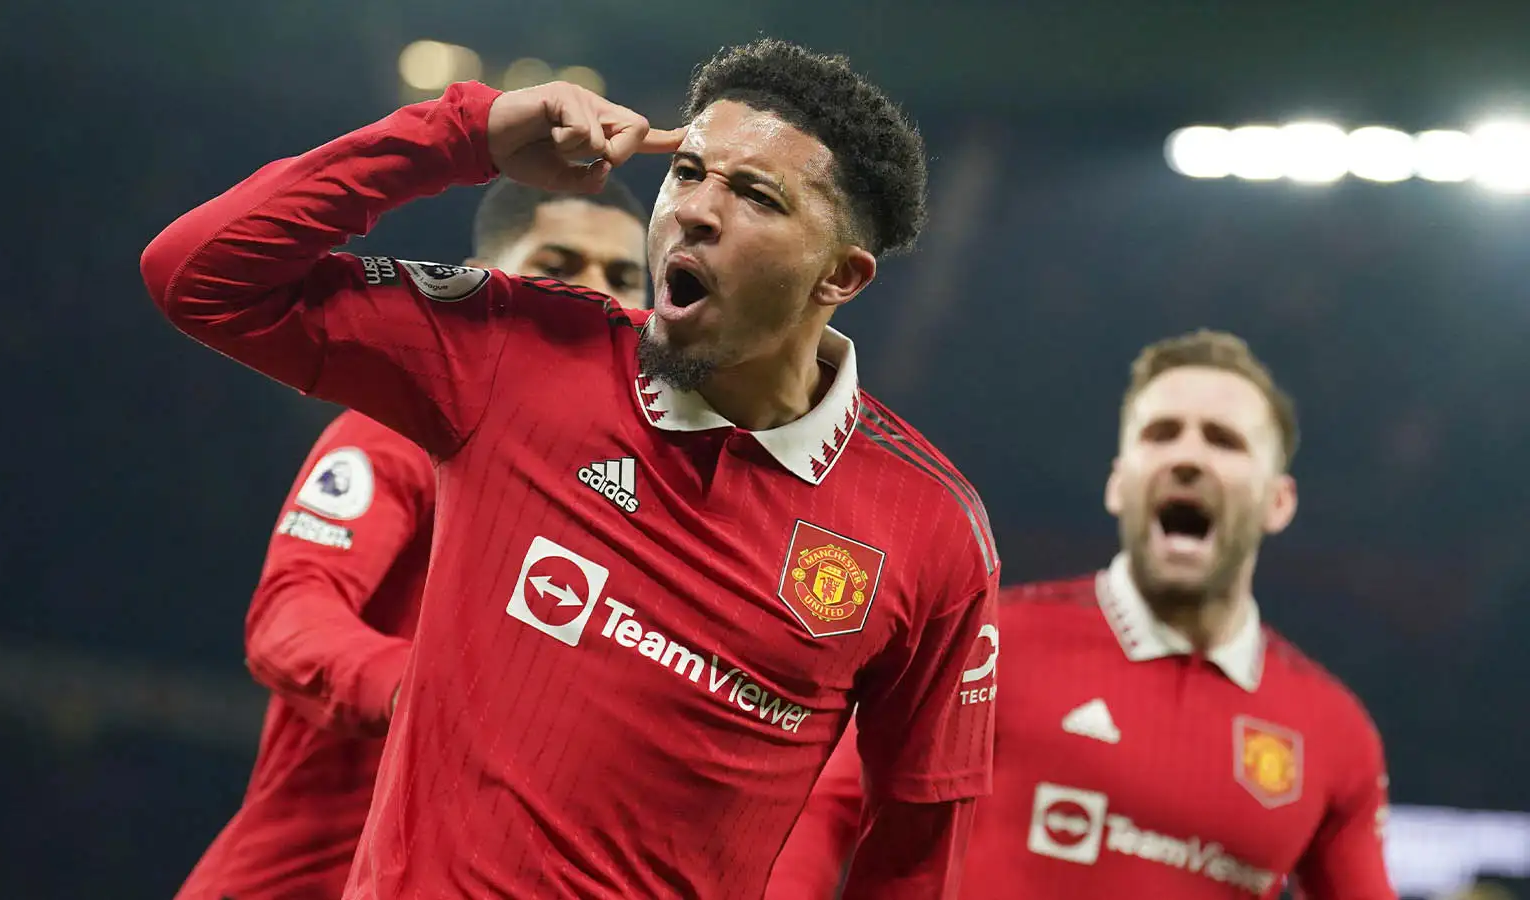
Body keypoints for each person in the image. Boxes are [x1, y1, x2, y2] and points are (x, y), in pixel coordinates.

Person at [142, 38, 1000, 900]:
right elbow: (198, 275)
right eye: (690, 171)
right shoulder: (517, 351)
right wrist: (462, 133)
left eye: (753, 194)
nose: (697, 211)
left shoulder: (929, 530)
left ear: (840, 278)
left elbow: (916, 852)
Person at [767, 330, 1395, 900]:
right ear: (1119, 484)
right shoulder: (987, 641)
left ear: (1278, 501)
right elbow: (825, 810)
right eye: (1161, 433)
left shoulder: (1334, 733)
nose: (1188, 457)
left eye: (1224, 441)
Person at [172, 179, 650, 900]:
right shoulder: (405, 427)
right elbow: (292, 612)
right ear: (488, 280)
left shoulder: (651, 500)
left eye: (621, 277)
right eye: (557, 266)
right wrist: (420, 694)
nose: (594, 295)